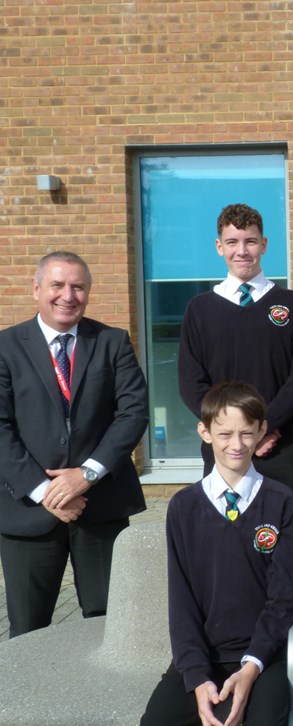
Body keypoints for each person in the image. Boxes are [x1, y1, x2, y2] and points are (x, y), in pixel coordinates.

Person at [0, 251, 148, 638]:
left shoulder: (112, 342)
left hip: (100, 507)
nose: (68, 295)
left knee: (109, 627)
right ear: (36, 289)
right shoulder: (6, 347)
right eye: (58, 285)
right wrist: (46, 490)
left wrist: (87, 475)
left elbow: (133, 413)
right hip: (27, 514)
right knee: (28, 630)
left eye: (78, 287)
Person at [141, 382, 293, 726]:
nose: (237, 444)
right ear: (205, 432)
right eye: (225, 433)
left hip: (265, 655)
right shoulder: (184, 507)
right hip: (204, 655)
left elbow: (285, 596)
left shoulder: (280, 500)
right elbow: (181, 600)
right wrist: (197, 677)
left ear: (262, 431)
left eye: (247, 433)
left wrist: (253, 665)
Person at [178, 203, 293, 519]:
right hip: (224, 450)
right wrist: (236, 433)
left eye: (250, 241)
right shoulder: (199, 310)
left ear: (264, 245)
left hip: (282, 447)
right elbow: (191, 382)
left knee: (287, 544)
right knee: (227, 546)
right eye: (232, 242)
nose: (242, 251)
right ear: (219, 247)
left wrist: (264, 428)